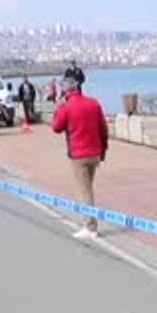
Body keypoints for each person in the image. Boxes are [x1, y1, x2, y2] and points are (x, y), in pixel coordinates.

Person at [50, 71, 109, 240]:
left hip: (78, 155)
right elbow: (103, 129)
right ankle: (89, 223)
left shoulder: (66, 106)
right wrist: (103, 150)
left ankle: (90, 227)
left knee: (84, 190)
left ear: (65, 90)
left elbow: (56, 127)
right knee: (87, 187)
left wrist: (58, 107)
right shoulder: (93, 103)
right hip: (94, 153)